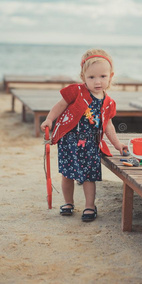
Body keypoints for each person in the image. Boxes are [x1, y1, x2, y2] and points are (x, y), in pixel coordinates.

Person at [41, 49, 128, 222]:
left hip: (90, 145)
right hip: (69, 142)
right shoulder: (76, 92)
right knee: (67, 174)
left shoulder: (108, 102)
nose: (98, 82)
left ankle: (89, 206)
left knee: (89, 177)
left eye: (103, 76)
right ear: (83, 77)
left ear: (111, 76)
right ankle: (68, 202)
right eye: (92, 77)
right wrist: (50, 119)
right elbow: (60, 105)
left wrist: (118, 145)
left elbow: (108, 125)